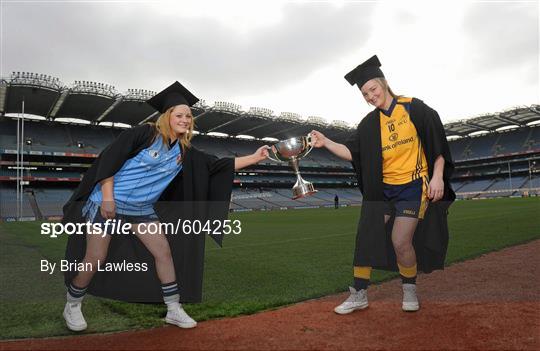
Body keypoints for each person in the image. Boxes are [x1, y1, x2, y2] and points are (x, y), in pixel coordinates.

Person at [61, 81, 268, 331]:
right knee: (95, 257)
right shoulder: (144, 134)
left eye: (189, 116)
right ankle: (72, 305)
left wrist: (255, 157)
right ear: (167, 116)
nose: (185, 119)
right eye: (179, 115)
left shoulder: (184, 150)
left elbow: (217, 166)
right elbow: (109, 160)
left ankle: (173, 309)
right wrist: (107, 197)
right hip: (107, 204)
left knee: (163, 253)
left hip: (141, 210)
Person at [310, 55, 455, 313]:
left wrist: (438, 175)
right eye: (365, 94)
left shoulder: (414, 108)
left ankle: (409, 288)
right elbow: (353, 153)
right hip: (383, 190)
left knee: (400, 240)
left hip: (413, 187)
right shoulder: (368, 125)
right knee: (367, 236)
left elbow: (437, 143)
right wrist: (327, 142)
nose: (370, 97)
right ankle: (359, 294)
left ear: (384, 83)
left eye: (373, 90)